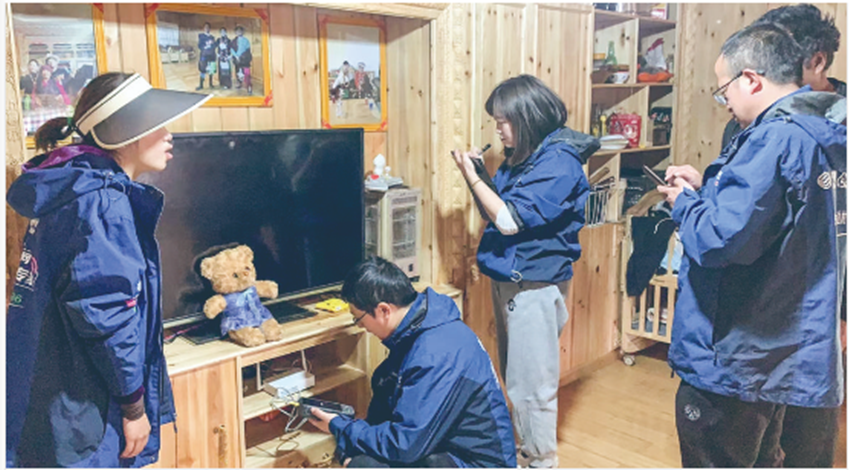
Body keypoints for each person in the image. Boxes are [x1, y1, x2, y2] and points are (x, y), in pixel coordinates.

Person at [657, 23, 846, 468]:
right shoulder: (824, 130)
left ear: (751, 79)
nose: (725, 103)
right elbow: (775, 222)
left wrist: (684, 204)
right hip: (781, 348)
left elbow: (719, 241)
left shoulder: (773, 138)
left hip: (738, 355)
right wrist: (708, 190)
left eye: (724, 90)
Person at [6, 72, 211, 467]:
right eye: (157, 125)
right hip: (87, 408)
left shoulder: (74, 186)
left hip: (54, 397)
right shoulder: (102, 202)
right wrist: (134, 408)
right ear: (125, 132)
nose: (169, 135)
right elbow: (107, 317)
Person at [718, 5, 845, 467]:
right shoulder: (746, 121)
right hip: (756, 323)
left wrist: (844, 312)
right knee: (752, 443)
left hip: (818, 316)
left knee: (808, 444)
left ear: (817, 60)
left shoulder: (841, 122)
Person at [451, 74, 597, 468]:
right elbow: (495, 210)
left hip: (534, 285)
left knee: (532, 387)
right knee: (516, 378)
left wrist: (472, 176)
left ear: (528, 118)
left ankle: (540, 462)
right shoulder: (524, 156)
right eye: (496, 121)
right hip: (512, 279)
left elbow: (510, 221)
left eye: (504, 121)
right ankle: (528, 455)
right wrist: (478, 175)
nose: (498, 130)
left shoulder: (559, 163)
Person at [308, 257, 517, 468]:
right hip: (446, 447)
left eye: (358, 318)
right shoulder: (420, 327)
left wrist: (341, 428)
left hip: (476, 463)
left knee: (363, 465)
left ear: (384, 310)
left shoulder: (435, 354)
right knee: (360, 454)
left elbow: (404, 445)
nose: (361, 326)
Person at [231, 25, 253, 95]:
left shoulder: (246, 40)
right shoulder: (234, 41)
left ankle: (249, 86)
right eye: (237, 31)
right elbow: (231, 49)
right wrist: (236, 56)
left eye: (240, 31)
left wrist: (242, 56)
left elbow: (248, 49)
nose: (239, 32)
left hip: (244, 59)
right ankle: (239, 83)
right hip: (237, 60)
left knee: (247, 73)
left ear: (242, 32)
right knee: (238, 72)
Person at [197, 22, 217, 90]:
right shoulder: (201, 36)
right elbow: (199, 46)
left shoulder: (212, 37)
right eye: (205, 27)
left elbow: (214, 46)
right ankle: (201, 85)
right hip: (204, 55)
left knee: (211, 70)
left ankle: (211, 84)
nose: (207, 29)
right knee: (202, 70)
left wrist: (212, 45)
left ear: (210, 29)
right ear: (204, 28)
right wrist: (205, 47)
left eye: (208, 27)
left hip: (211, 55)